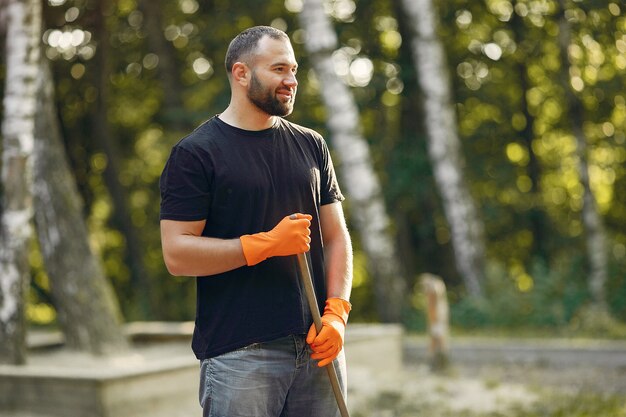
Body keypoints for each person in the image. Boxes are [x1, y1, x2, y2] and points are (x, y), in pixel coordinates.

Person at [159, 25, 353, 417]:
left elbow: (336, 238)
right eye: (279, 69)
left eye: (294, 70)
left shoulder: (311, 143)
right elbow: (177, 253)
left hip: (317, 347)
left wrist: (337, 313)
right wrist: (265, 244)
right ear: (241, 73)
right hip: (240, 355)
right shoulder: (196, 154)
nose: (292, 81)